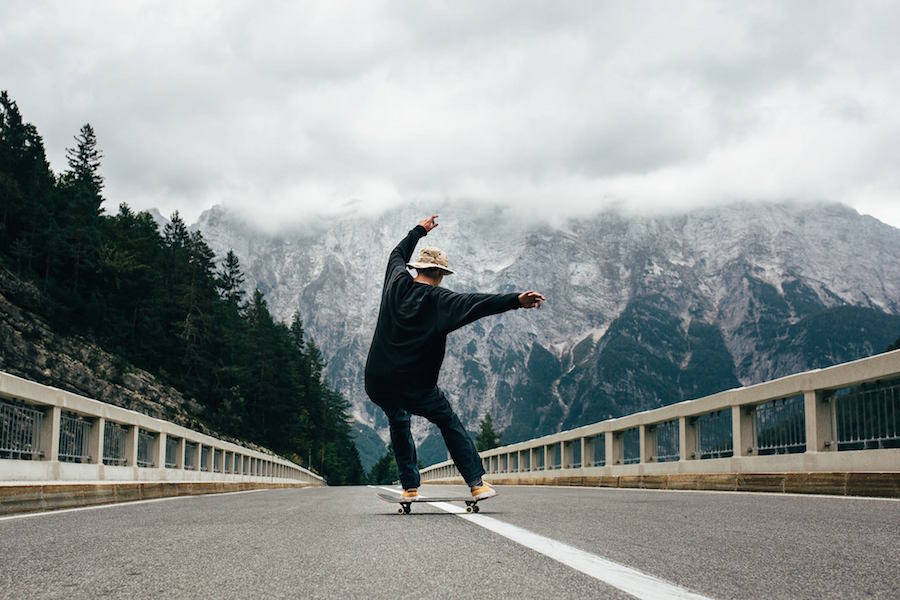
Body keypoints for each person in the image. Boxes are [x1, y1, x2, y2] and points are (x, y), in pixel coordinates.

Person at [364, 214, 546, 501]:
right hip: (415, 387)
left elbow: (396, 253)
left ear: (418, 268)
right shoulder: (440, 301)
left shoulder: (396, 279)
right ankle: (476, 483)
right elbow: (477, 303)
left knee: (398, 420)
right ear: (440, 275)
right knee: (447, 420)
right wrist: (516, 301)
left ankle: (410, 487)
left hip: (378, 381)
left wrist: (419, 231)